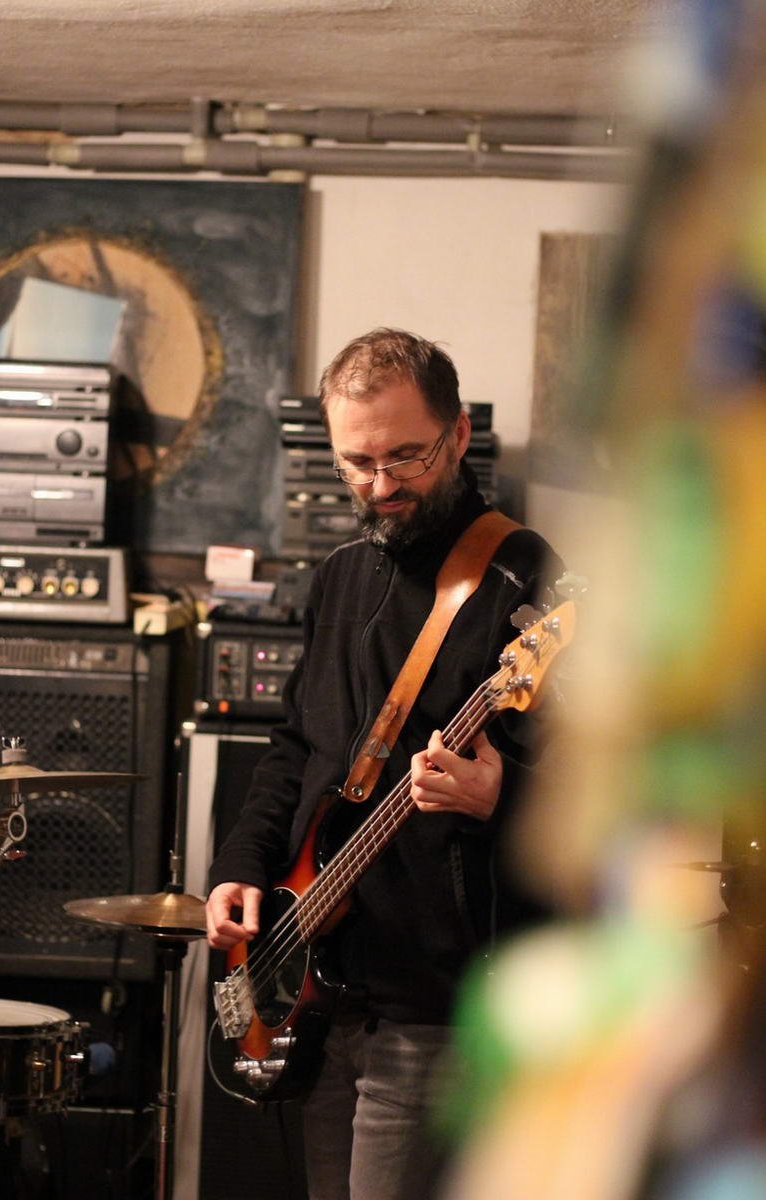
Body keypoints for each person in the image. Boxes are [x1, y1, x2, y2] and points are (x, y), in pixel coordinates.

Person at [206, 327, 563, 1200]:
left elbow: (598, 793)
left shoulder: (525, 579)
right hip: (315, 980)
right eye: (356, 463)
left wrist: (501, 795)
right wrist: (241, 866)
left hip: (432, 1000)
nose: (379, 486)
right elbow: (298, 745)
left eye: (405, 457)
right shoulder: (338, 574)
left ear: (457, 435)